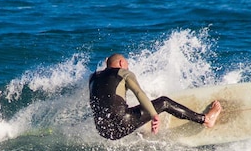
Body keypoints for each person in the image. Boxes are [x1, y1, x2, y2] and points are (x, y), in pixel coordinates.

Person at [88, 53, 222, 140]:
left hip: (103, 130)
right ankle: (205, 119)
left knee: (120, 110)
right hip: (122, 122)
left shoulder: (93, 77)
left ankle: (141, 130)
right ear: (122, 63)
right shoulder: (123, 72)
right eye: (127, 64)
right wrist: (153, 115)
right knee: (164, 102)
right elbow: (139, 93)